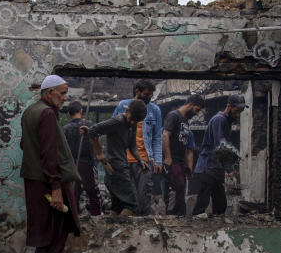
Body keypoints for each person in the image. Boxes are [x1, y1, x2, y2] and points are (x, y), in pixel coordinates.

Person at [21, 75, 81, 253]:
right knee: (62, 223)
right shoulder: (46, 114)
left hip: (34, 180)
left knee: (45, 230)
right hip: (48, 180)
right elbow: (49, 153)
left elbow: (25, 145)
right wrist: (56, 187)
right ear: (49, 93)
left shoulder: (30, 111)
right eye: (62, 93)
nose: (65, 98)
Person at [85, 99, 148, 215]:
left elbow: (132, 146)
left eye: (136, 121)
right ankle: (122, 232)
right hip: (115, 167)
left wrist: (141, 160)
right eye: (132, 119)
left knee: (117, 206)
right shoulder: (117, 121)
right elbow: (93, 130)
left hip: (121, 165)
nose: (133, 123)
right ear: (127, 110)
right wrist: (99, 153)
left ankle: (109, 232)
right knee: (133, 205)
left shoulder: (133, 123)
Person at [113, 79, 163, 215]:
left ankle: (144, 230)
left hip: (145, 161)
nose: (149, 98)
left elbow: (157, 137)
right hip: (124, 160)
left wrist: (158, 160)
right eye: (146, 94)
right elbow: (112, 130)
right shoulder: (122, 106)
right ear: (137, 92)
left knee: (144, 198)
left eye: (151, 95)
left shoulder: (155, 110)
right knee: (126, 198)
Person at [192, 94, 245, 218]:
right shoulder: (219, 120)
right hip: (208, 168)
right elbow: (219, 146)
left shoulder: (225, 121)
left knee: (220, 205)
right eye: (236, 111)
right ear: (229, 106)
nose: (238, 115)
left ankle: (216, 228)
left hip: (215, 168)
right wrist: (229, 169)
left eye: (240, 112)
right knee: (201, 206)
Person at [162, 94, 205, 216]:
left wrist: (188, 166)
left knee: (180, 190)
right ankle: (170, 216)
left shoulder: (185, 120)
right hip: (173, 160)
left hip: (180, 162)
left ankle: (180, 217)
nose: (197, 113)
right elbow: (165, 135)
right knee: (174, 190)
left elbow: (186, 146)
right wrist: (168, 157)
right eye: (197, 110)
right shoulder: (173, 116)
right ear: (190, 105)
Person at [62, 100, 102, 216]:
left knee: (74, 193)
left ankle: (74, 218)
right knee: (93, 193)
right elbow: (97, 140)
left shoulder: (65, 128)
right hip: (87, 164)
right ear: (81, 111)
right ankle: (96, 216)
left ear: (69, 114)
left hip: (71, 165)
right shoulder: (89, 124)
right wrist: (99, 153)